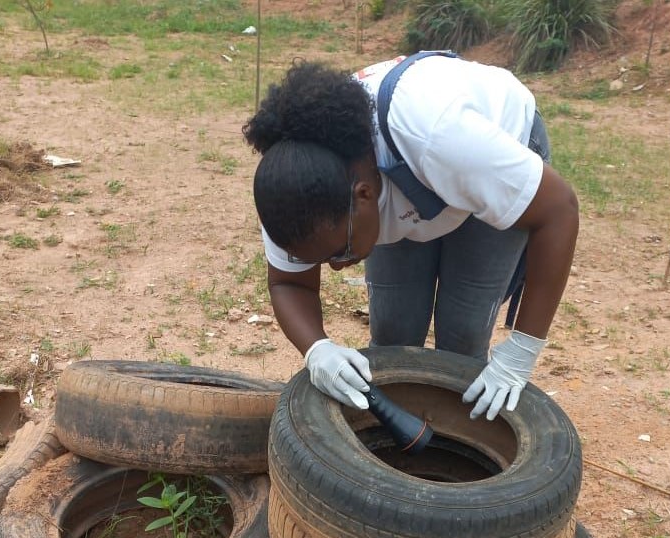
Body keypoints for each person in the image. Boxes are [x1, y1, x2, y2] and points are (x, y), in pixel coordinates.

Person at [242, 52, 578, 421]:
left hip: (489, 154)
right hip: (417, 173)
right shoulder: (292, 195)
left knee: (462, 333)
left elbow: (558, 210)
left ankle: (458, 442)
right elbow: (289, 284)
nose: (337, 268)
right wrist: (317, 349)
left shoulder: (439, 138)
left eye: (341, 252)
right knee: (393, 332)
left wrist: (521, 352)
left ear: (364, 195)